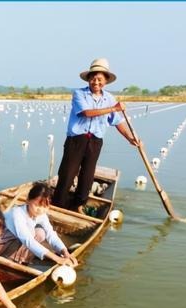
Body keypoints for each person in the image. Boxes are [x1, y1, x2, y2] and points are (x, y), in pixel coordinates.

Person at [53, 58, 140, 213]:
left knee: (87, 176)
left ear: (106, 81)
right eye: (93, 78)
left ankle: (77, 205)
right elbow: (87, 113)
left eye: (100, 79)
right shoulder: (79, 94)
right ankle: (58, 205)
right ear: (88, 79)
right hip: (76, 140)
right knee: (67, 173)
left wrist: (130, 138)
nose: (96, 82)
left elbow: (118, 122)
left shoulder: (109, 99)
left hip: (95, 141)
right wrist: (113, 109)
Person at [0, 182, 78, 267]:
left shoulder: (41, 214)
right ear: (27, 201)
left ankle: (21, 259)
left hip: (10, 244)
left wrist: (65, 252)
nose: (40, 210)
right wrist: (56, 258)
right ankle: (13, 261)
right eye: (37, 205)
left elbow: (51, 234)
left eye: (45, 207)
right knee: (30, 233)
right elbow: (27, 240)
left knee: (40, 233)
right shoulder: (17, 213)